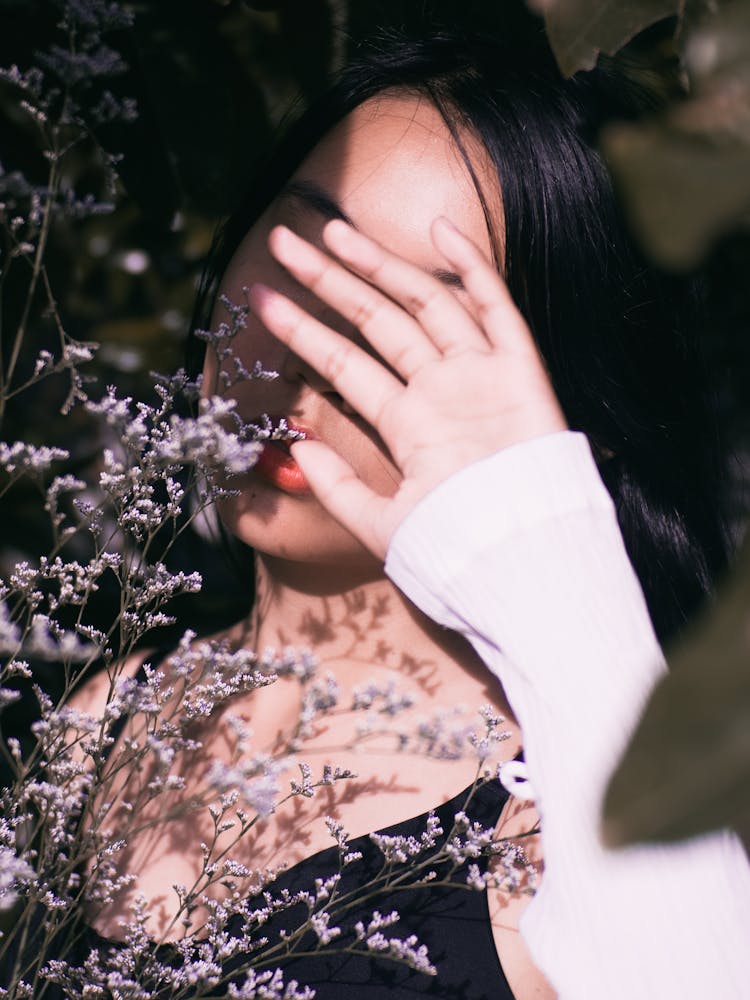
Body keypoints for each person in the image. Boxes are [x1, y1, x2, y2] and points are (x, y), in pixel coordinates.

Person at [73, 18, 750, 1000]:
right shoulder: (97, 718)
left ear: (572, 412)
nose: (317, 354)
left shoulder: (566, 839)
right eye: (304, 252)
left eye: (417, 314)